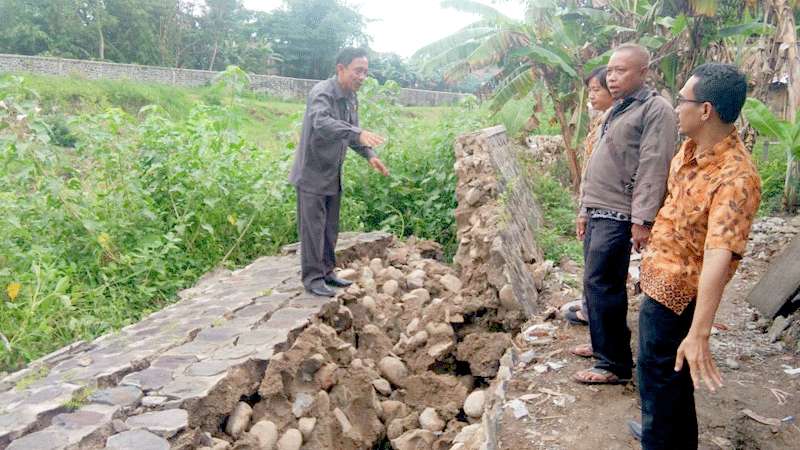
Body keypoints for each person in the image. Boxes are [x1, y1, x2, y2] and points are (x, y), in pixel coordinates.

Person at [630, 63, 760, 449]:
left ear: (706, 110)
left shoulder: (736, 178)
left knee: (662, 372)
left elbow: (720, 254)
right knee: (659, 373)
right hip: (658, 274)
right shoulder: (688, 151)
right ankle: (661, 429)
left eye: (682, 100)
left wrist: (699, 332)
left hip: (680, 292)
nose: (675, 107)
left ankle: (661, 438)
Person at [573, 43, 678, 385]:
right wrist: (585, 209)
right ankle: (603, 346)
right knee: (595, 283)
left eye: (621, 71)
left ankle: (614, 364)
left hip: (620, 212)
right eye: (611, 70)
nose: (612, 77)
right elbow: (597, 162)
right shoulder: (617, 109)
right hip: (599, 208)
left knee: (603, 283)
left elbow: (654, 164)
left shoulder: (655, 109)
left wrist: (642, 219)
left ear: (643, 72)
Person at [289, 47, 390, 297]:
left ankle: (327, 273)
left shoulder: (350, 97)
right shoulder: (322, 93)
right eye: (358, 71)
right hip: (311, 173)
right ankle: (312, 279)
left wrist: (370, 156)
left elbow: (352, 134)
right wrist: (356, 133)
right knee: (313, 229)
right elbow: (322, 123)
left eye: (365, 72)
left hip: (332, 173)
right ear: (341, 69)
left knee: (329, 228)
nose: (362, 77)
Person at [564, 65, 614, 330]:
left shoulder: (615, 123)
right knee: (593, 269)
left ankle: (598, 325)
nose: (591, 96)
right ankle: (591, 314)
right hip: (593, 204)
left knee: (599, 274)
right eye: (590, 90)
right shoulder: (599, 121)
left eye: (597, 90)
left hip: (606, 207)